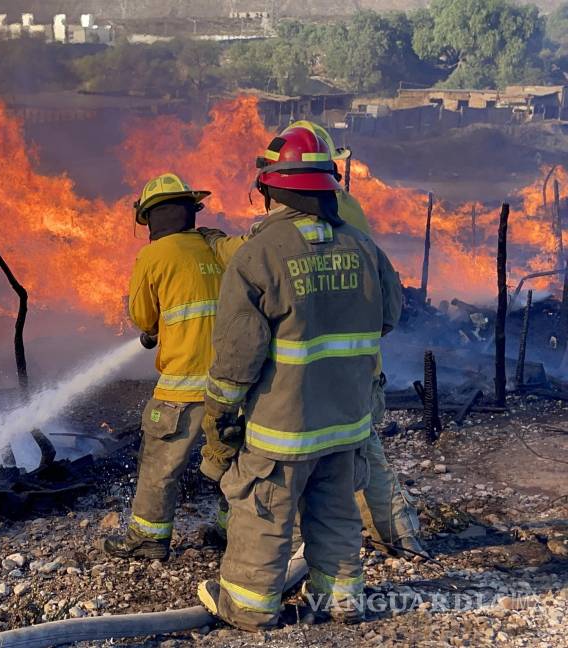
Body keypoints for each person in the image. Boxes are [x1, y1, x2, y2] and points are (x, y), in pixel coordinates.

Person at [195, 125, 403, 629]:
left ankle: (249, 607)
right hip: (347, 422)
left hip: (283, 428)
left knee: (263, 512)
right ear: (329, 185)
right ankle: (341, 599)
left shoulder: (257, 255)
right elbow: (389, 317)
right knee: (336, 513)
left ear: (268, 189)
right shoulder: (363, 247)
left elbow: (237, 357)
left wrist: (219, 415)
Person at [99, 173, 222, 560]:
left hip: (183, 382)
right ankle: (231, 531)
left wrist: (156, 328)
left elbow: (143, 316)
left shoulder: (153, 256)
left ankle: (148, 539)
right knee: (234, 461)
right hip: (234, 380)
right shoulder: (217, 248)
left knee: (160, 462)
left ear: (150, 218)